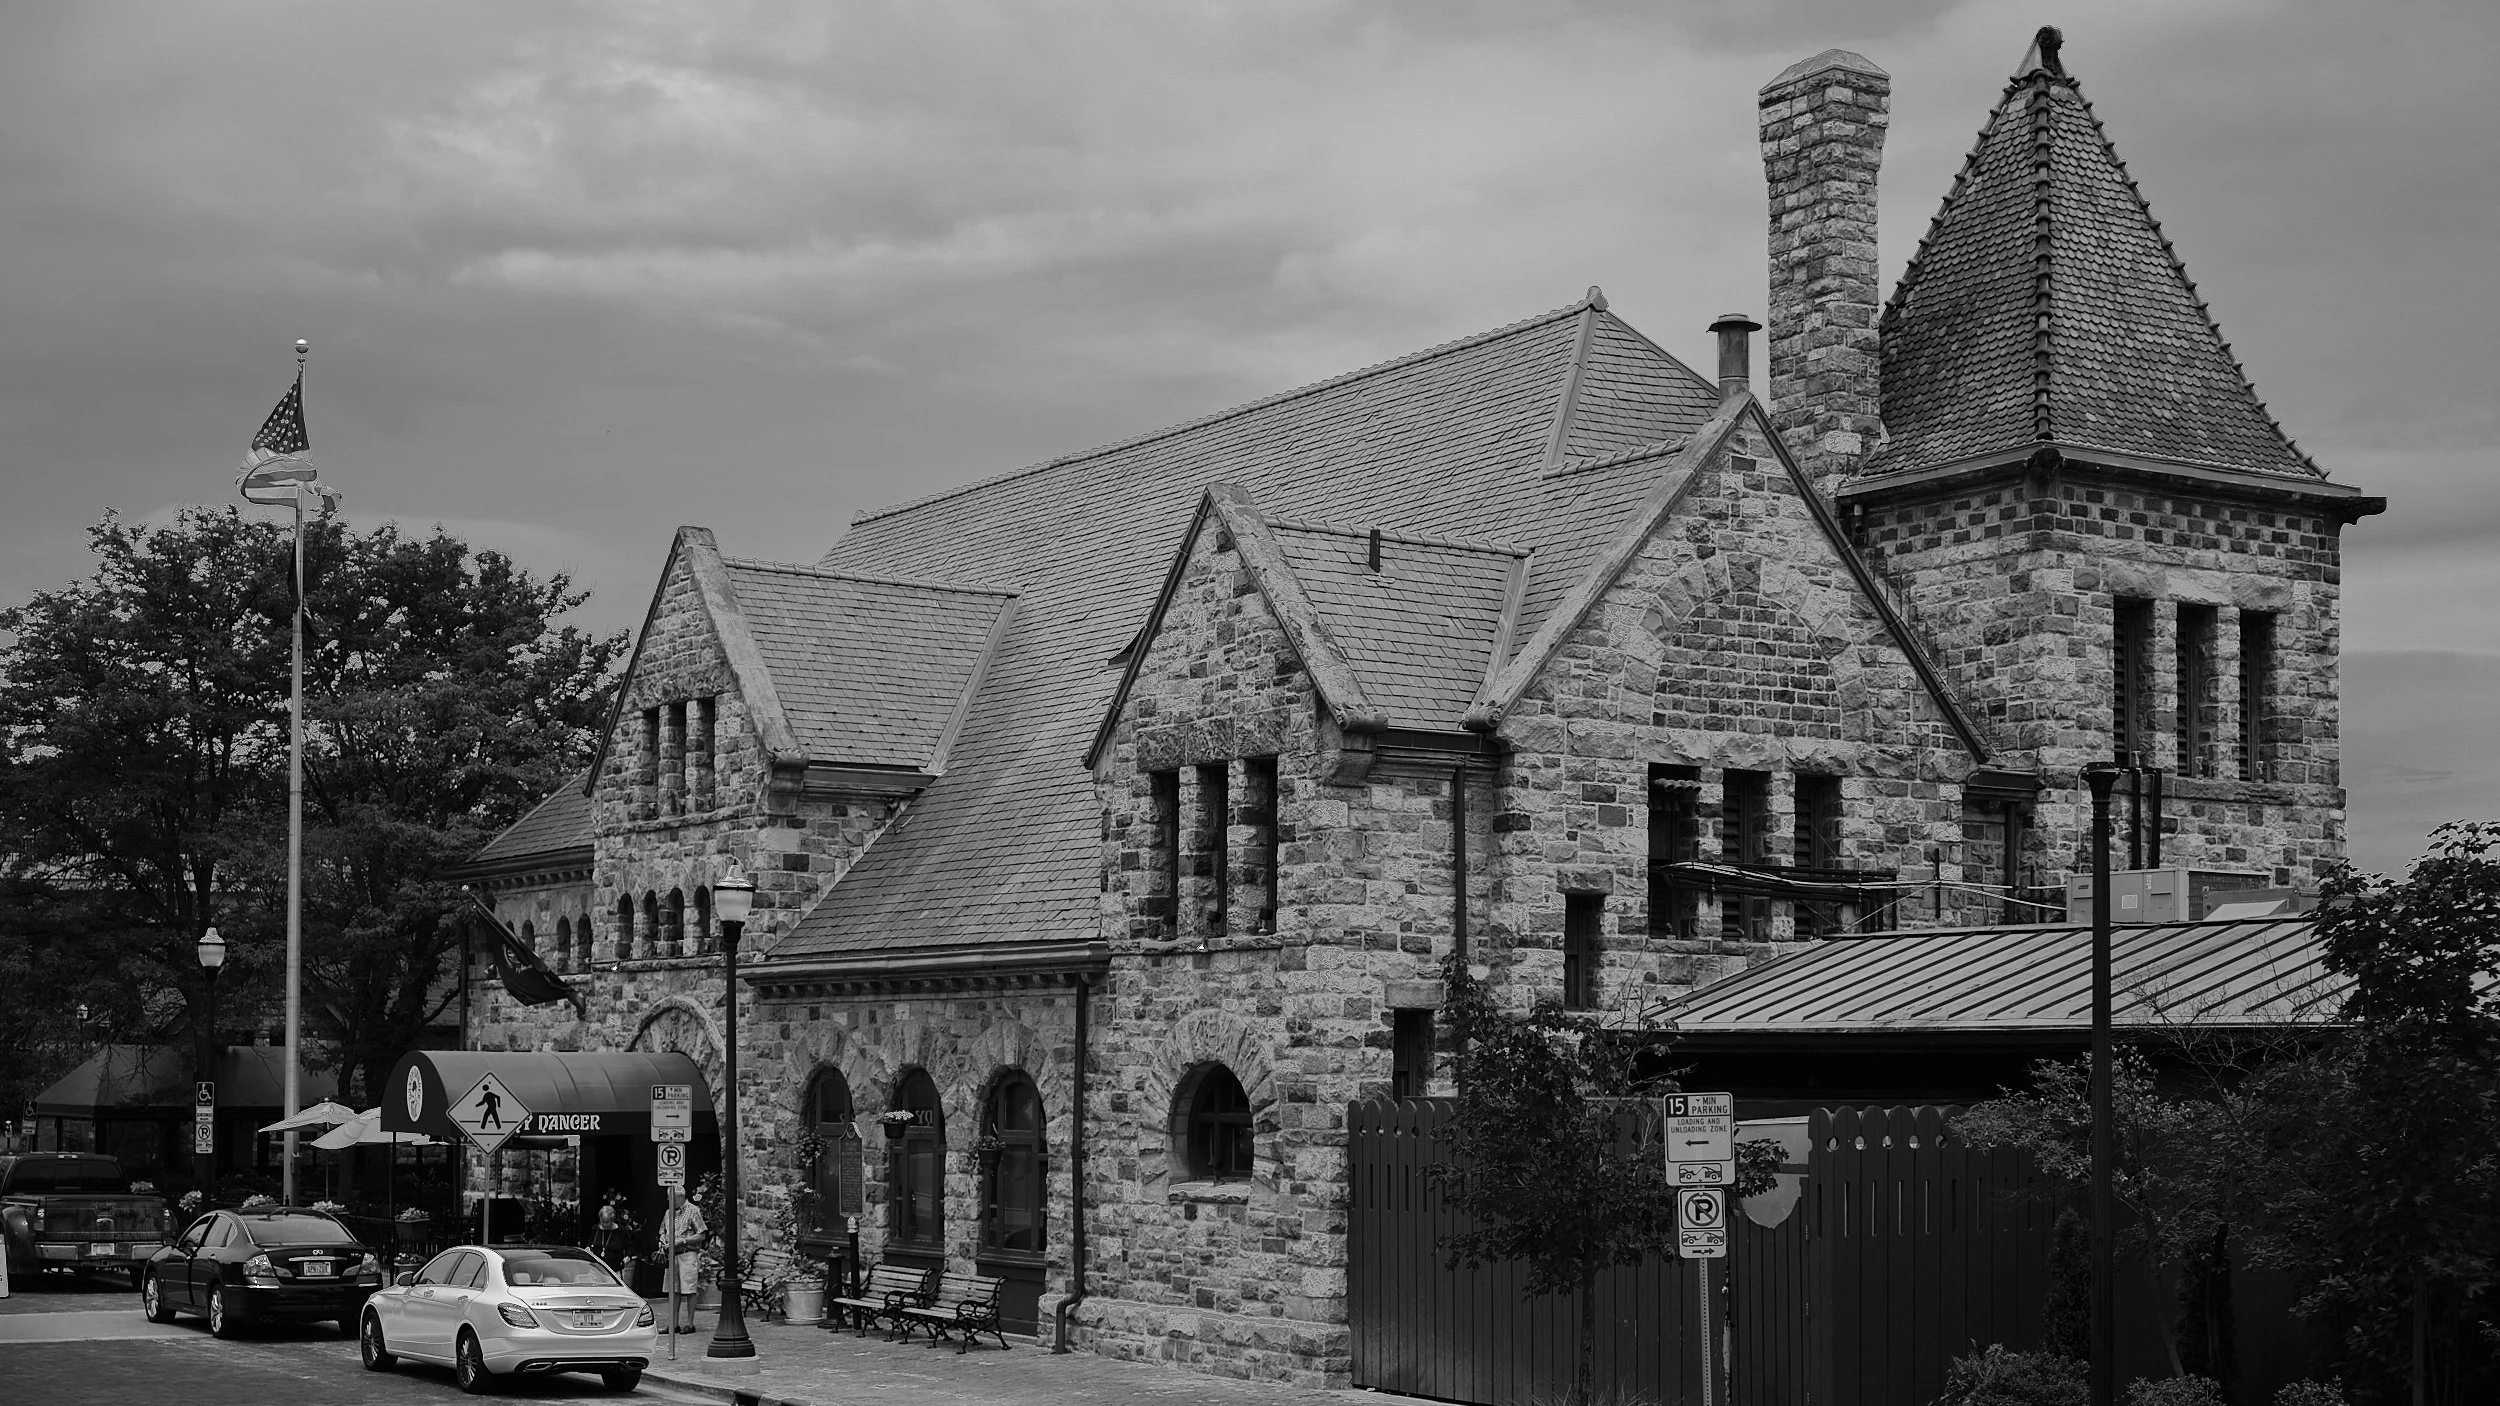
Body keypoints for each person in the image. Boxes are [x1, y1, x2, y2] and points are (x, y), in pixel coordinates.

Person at [656, 1183, 706, 1334]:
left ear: (681, 1197)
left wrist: (683, 1241)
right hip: (672, 1255)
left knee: (689, 1289)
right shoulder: (668, 1212)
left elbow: (702, 1234)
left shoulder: (693, 1210)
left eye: (671, 1198)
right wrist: (662, 1240)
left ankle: (690, 1324)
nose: (669, 1201)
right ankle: (673, 1324)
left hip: (687, 1253)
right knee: (673, 1290)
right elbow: (662, 1231)